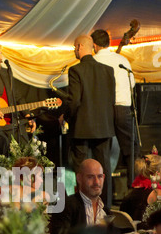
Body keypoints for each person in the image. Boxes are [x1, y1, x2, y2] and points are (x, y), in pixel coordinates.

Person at [58, 34, 115, 209]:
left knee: (81, 170)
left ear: (80, 46)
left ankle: (82, 209)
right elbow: (111, 98)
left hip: (82, 127)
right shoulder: (108, 70)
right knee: (103, 170)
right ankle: (105, 208)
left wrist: (64, 117)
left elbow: (74, 101)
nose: (74, 50)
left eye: (75, 47)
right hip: (104, 126)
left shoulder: (76, 70)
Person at [91, 29, 139, 187]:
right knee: (131, 151)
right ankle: (133, 188)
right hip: (123, 108)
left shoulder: (93, 61)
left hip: (102, 110)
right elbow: (132, 83)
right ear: (108, 43)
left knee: (102, 152)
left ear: (95, 45)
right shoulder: (122, 60)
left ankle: (104, 192)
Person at [50, 158, 109, 234]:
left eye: (100, 176)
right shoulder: (66, 206)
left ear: (104, 178)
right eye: (90, 177)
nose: (96, 182)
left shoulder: (105, 210)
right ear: (79, 178)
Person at [120, 154, 161, 222]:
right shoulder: (157, 193)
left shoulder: (132, 190)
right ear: (156, 173)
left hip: (129, 231)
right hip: (146, 231)